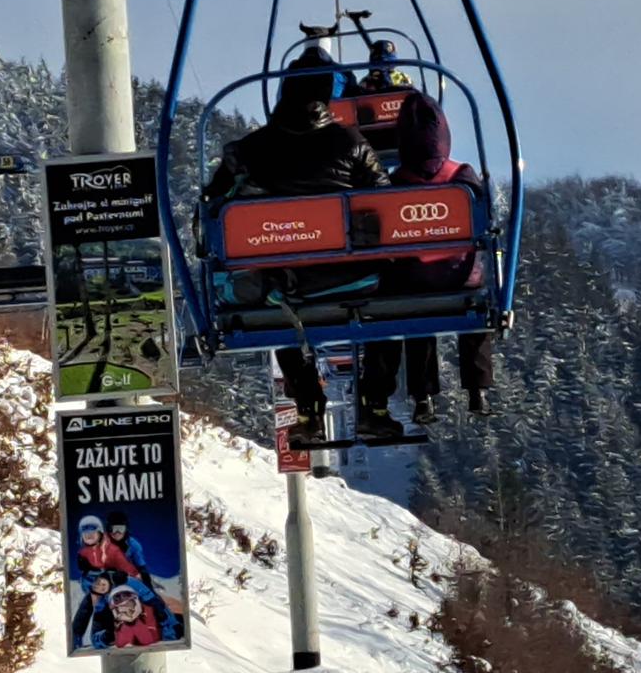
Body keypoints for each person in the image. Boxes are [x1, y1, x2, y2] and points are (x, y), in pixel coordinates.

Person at [200, 46, 377, 436]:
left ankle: (307, 405)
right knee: (390, 300)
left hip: (281, 281)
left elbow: (212, 206)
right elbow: (385, 203)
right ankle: (375, 404)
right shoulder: (351, 142)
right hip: (349, 275)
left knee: (277, 304)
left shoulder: (248, 150)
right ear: (329, 95)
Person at [346, 61, 493, 440]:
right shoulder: (462, 175)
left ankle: (423, 395)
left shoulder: (394, 182)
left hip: (412, 281)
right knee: (474, 303)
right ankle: (477, 388)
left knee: (413, 308)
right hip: (460, 278)